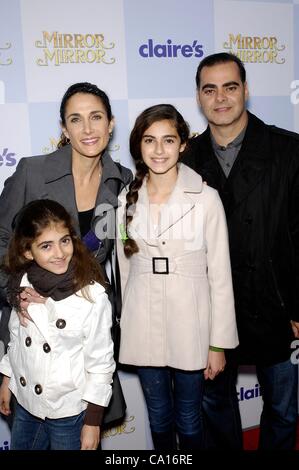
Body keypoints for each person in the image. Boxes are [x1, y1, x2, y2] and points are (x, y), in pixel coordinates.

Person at [183, 52, 299, 450]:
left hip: (278, 306)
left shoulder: (290, 151)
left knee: (284, 410)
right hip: (210, 313)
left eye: (230, 87)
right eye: (209, 89)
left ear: (246, 91)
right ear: (199, 98)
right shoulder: (183, 160)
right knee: (214, 408)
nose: (220, 98)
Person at [0, 82, 132, 424]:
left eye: (96, 117)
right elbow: (2, 240)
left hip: (82, 336)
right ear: (64, 128)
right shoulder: (32, 171)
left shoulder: (120, 181)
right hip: (35, 331)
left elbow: (110, 253)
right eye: (76, 119)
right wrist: (14, 293)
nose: (87, 129)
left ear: (111, 123)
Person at [113, 104, 239, 450]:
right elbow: (125, 269)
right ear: (138, 145)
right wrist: (128, 321)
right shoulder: (126, 199)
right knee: (158, 416)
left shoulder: (206, 197)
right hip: (144, 321)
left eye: (168, 140)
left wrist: (218, 344)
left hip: (191, 323)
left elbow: (221, 276)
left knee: (189, 417)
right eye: (149, 140)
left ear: (183, 144)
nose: (158, 150)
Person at [0, 199, 115, 450]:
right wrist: (7, 378)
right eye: (46, 246)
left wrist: (93, 421)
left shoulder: (91, 296)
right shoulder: (21, 285)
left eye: (64, 241)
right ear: (28, 252)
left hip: (68, 411)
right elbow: (16, 340)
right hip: (27, 402)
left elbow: (101, 363)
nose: (60, 253)